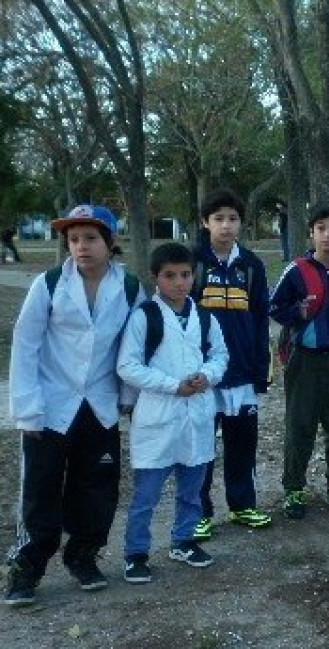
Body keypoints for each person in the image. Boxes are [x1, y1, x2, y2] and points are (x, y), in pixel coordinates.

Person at [5, 205, 144, 606]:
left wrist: (128, 398)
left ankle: (83, 555)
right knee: (40, 488)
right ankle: (26, 568)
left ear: (110, 242)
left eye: (91, 238)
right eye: (74, 239)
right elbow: (26, 345)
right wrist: (27, 408)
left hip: (99, 403)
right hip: (50, 403)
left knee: (96, 486)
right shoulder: (49, 284)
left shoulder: (130, 288)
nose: (81, 247)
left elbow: (131, 347)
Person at [116, 242, 229, 584]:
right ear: (156, 279)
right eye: (170, 276)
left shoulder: (205, 316)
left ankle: (184, 540)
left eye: (185, 275)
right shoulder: (145, 317)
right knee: (147, 494)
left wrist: (205, 377)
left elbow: (221, 356)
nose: (179, 283)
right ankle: (136, 553)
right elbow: (127, 366)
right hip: (158, 416)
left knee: (192, 490)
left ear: (194, 276)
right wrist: (171, 385)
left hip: (196, 414)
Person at [269, 204, 329, 519]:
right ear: (311, 233)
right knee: (300, 425)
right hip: (304, 361)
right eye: (321, 228)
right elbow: (274, 307)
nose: (327, 235)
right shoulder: (296, 270)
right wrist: (298, 311)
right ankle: (294, 489)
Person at [191, 189, 272, 541]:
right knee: (202, 445)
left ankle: (242, 504)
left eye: (233, 218)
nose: (226, 226)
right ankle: (198, 511)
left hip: (241, 372)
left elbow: (260, 320)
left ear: (242, 223)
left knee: (242, 442)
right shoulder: (192, 262)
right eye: (218, 218)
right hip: (203, 374)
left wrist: (260, 370)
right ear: (204, 222)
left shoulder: (251, 266)